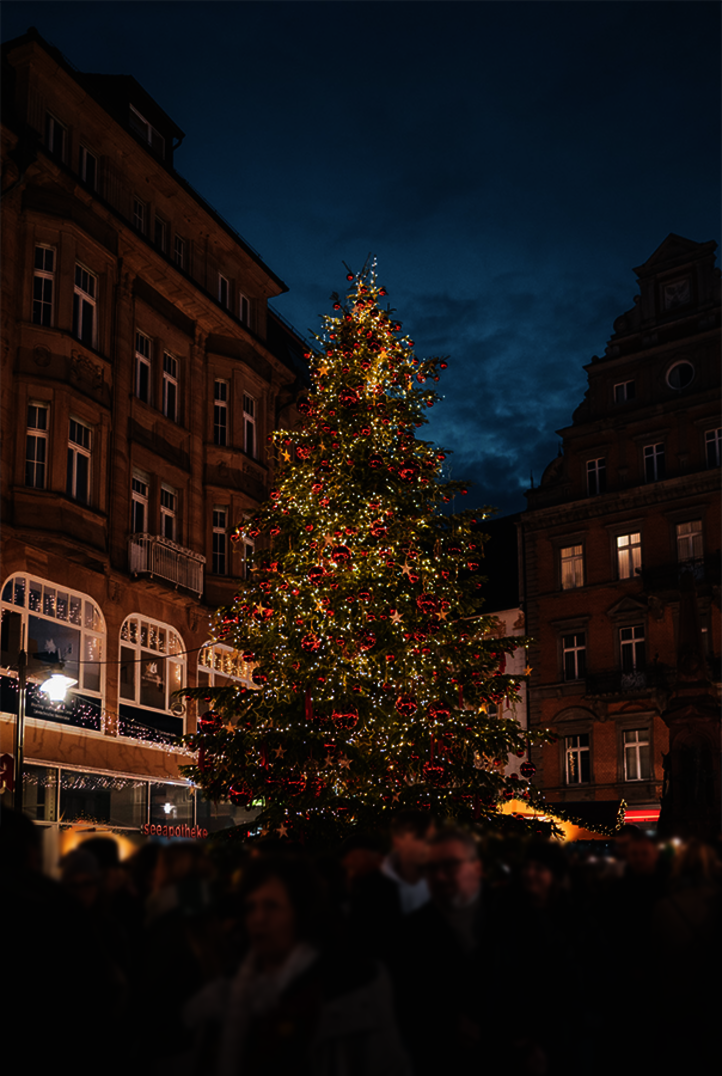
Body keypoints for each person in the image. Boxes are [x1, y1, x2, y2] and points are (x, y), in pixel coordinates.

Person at [185, 854, 410, 1076]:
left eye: (271, 906)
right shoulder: (225, 992)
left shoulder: (351, 984)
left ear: (300, 912)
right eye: (250, 907)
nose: (258, 918)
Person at [391, 827, 486, 1076]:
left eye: (450, 865)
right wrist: (444, 1023)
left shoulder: (515, 919)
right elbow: (403, 999)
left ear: (476, 867)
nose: (440, 877)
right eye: (431, 868)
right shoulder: (410, 934)